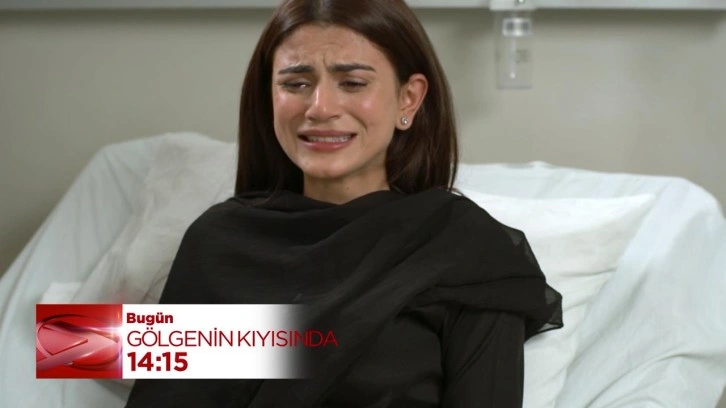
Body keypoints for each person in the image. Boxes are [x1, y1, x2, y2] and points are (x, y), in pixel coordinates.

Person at [125, 0, 562, 406]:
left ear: (408, 98)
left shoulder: (463, 250)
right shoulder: (218, 241)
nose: (320, 107)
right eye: (295, 83)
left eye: (352, 83)